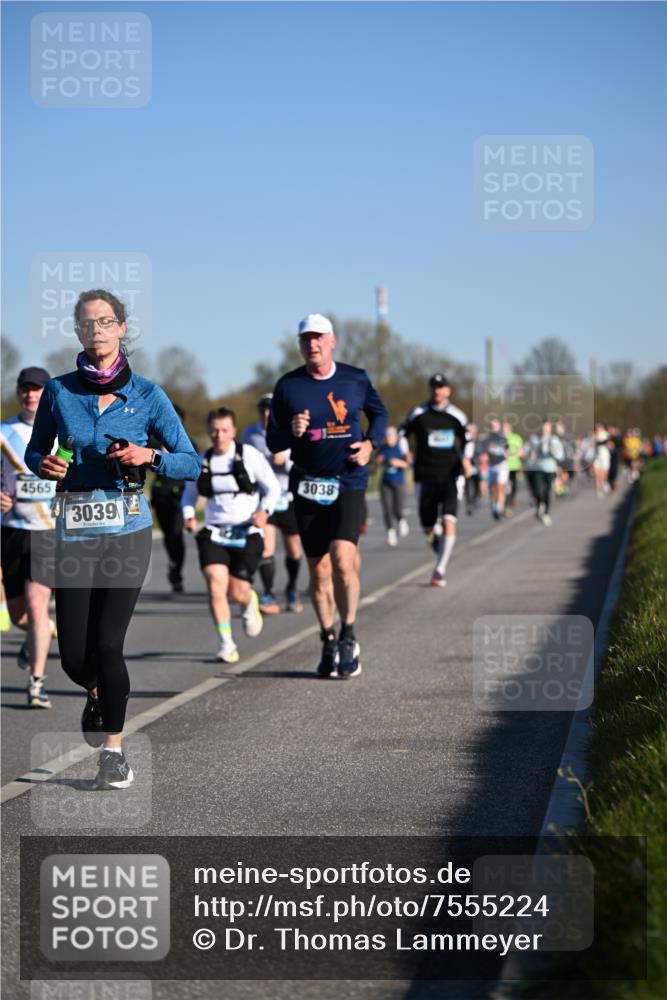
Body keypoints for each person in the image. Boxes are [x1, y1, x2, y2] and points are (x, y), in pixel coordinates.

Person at [26, 289, 200, 790]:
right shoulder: (59, 392)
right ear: (78, 332)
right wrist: (47, 465)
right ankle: (98, 693)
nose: (97, 330)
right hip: (76, 530)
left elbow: (190, 460)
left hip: (127, 529)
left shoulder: (147, 394)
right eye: (87, 323)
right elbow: (39, 454)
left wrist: (150, 457)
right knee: (75, 657)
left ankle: (114, 753)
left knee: (108, 643)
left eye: (106, 322)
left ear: (122, 328)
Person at [267, 313, 388, 679]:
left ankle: (349, 634)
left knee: (341, 557)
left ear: (332, 341)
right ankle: (328, 638)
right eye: (306, 339)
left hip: (348, 480)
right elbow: (274, 441)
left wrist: (370, 444)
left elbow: (379, 415)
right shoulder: (288, 386)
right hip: (306, 485)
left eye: (319, 338)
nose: (313, 345)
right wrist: (292, 430)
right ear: (300, 344)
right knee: (318, 572)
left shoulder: (355, 378)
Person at [182, 407, 281, 663]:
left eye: (224, 430)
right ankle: (226, 644)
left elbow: (273, 488)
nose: (219, 435)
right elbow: (190, 493)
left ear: (233, 431)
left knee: (237, 592)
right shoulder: (202, 460)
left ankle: (249, 602)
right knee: (216, 585)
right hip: (215, 531)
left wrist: (264, 511)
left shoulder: (250, 455)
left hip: (247, 531)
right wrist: (189, 514)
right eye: (214, 430)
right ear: (209, 431)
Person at [1, 366, 56, 707]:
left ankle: (37, 682)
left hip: (48, 532)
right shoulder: (3, 433)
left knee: (38, 608)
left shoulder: (60, 434)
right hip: (11, 531)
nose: (30, 394)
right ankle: (34, 641)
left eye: (37, 389)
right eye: (25, 388)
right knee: (21, 615)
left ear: (46, 394)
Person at [401, 373, 470, 587]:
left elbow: (468, 439)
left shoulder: (457, 415)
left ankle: (440, 569)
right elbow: (402, 433)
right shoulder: (419, 413)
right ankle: (439, 547)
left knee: (449, 520)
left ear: (448, 390)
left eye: (441, 387)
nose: (437, 391)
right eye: (434, 387)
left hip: (450, 475)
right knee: (428, 527)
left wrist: (466, 459)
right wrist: (406, 453)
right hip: (424, 475)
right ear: (430, 389)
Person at [241, 394, 304, 613]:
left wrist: (285, 461)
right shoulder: (250, 434)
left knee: (294, 550)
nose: (266, 414)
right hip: (264, 498)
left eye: (271, 410)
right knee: (267, 548)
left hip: (289, 497)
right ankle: (268, 594)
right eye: (263, 410)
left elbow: (303, 463)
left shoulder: (291, 432)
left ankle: (292, 588)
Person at [150, 403, 192, 593]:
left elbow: (193, 467)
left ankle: (176, 570)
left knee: (176, 533)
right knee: (168, 535)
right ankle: (173, 563)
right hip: (160, 494)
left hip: (179, 496)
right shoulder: (153, 442)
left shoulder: (188, 444)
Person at [522, 418, 565, 525]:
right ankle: (539, 505)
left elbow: (560, 455)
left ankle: (546, 512)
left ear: (550, 428)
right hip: (538, 468)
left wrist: (554, 452)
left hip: (550, 468)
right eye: (543, 427)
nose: (545, 429)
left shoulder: (554, 440)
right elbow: (525, 450)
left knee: (547, 491)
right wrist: (524, 454)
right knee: (538, 490)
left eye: (547, 427)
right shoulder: (535, 439)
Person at [376, 425, 410, 546]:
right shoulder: (383, 448)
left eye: (391, 435)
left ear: (396, 436)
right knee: (387, 509)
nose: (389, 438)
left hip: (399, 482)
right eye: (387, 436)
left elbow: (409, 463)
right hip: (385, 482)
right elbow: (377, 461)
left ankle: (401, 520)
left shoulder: (401, 447)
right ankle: (391, 534)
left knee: (397, 509)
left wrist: (399, 462)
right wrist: (379, 460)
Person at [476, 418, 509, 520]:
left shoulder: (502, 438)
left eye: (495, 425)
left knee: (500, 487)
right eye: (492, 425)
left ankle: (499, 508)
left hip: (501, 465)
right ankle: (495, 506)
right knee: (493, 488)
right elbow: (481, 451)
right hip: (491, 466)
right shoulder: (486, 438)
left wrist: (505, 453)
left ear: (499, 426)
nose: (493, 427)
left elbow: (507, 451)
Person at [503, 421, 523, 517]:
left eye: (505, 428)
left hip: (514, 465)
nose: (503, 429)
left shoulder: (516, 438)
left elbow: (521, 452)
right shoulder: (500, 438)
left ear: (509, 428)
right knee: (505, 487)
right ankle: (506, 506)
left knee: (513, 486)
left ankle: (512, 499)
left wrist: (511, 454)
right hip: (503, 467)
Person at [592, 423, 611, 498]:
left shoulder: (605, 434)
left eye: (599, 427)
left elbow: (607, 443)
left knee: (603, 474)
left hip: (605, 456)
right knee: (597, 475)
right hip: (596, 457)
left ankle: (604, 483)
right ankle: (598, 492)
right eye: (597, 427)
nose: (598, 429)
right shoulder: (594, 435)